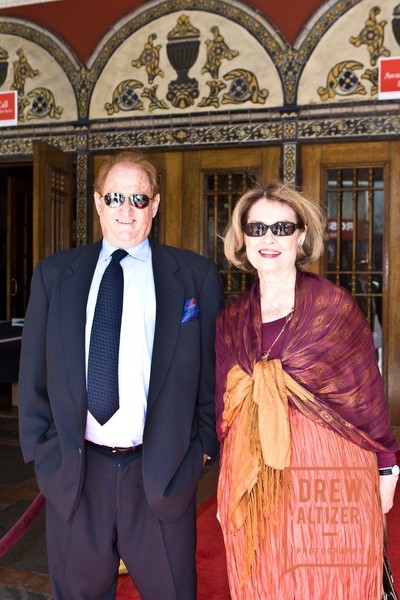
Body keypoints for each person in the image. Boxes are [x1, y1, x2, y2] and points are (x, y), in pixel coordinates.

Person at [18, 151, 224, 600]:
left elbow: (214, 378)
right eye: (114, 197)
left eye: (137, 198)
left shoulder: (194, 277)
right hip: (76, 473)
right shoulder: (56, 275)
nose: (125, 210)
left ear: (154, 205)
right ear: (97, 202)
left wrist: (202, 450)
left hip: (162, 473)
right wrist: (44, 453)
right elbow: (33, 374)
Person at [215, 181, 398, 599]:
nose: (270, 238)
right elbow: (224, 408)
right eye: (257, 228)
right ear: (242, 238)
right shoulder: (231, 321)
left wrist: (388, 469)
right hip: (257, 472)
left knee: (331, 577)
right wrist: (230, 485)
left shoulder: (333, 306)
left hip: (331, 468)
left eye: (282, 227)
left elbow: (366, 394)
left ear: (300, 235)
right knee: (267, 576)